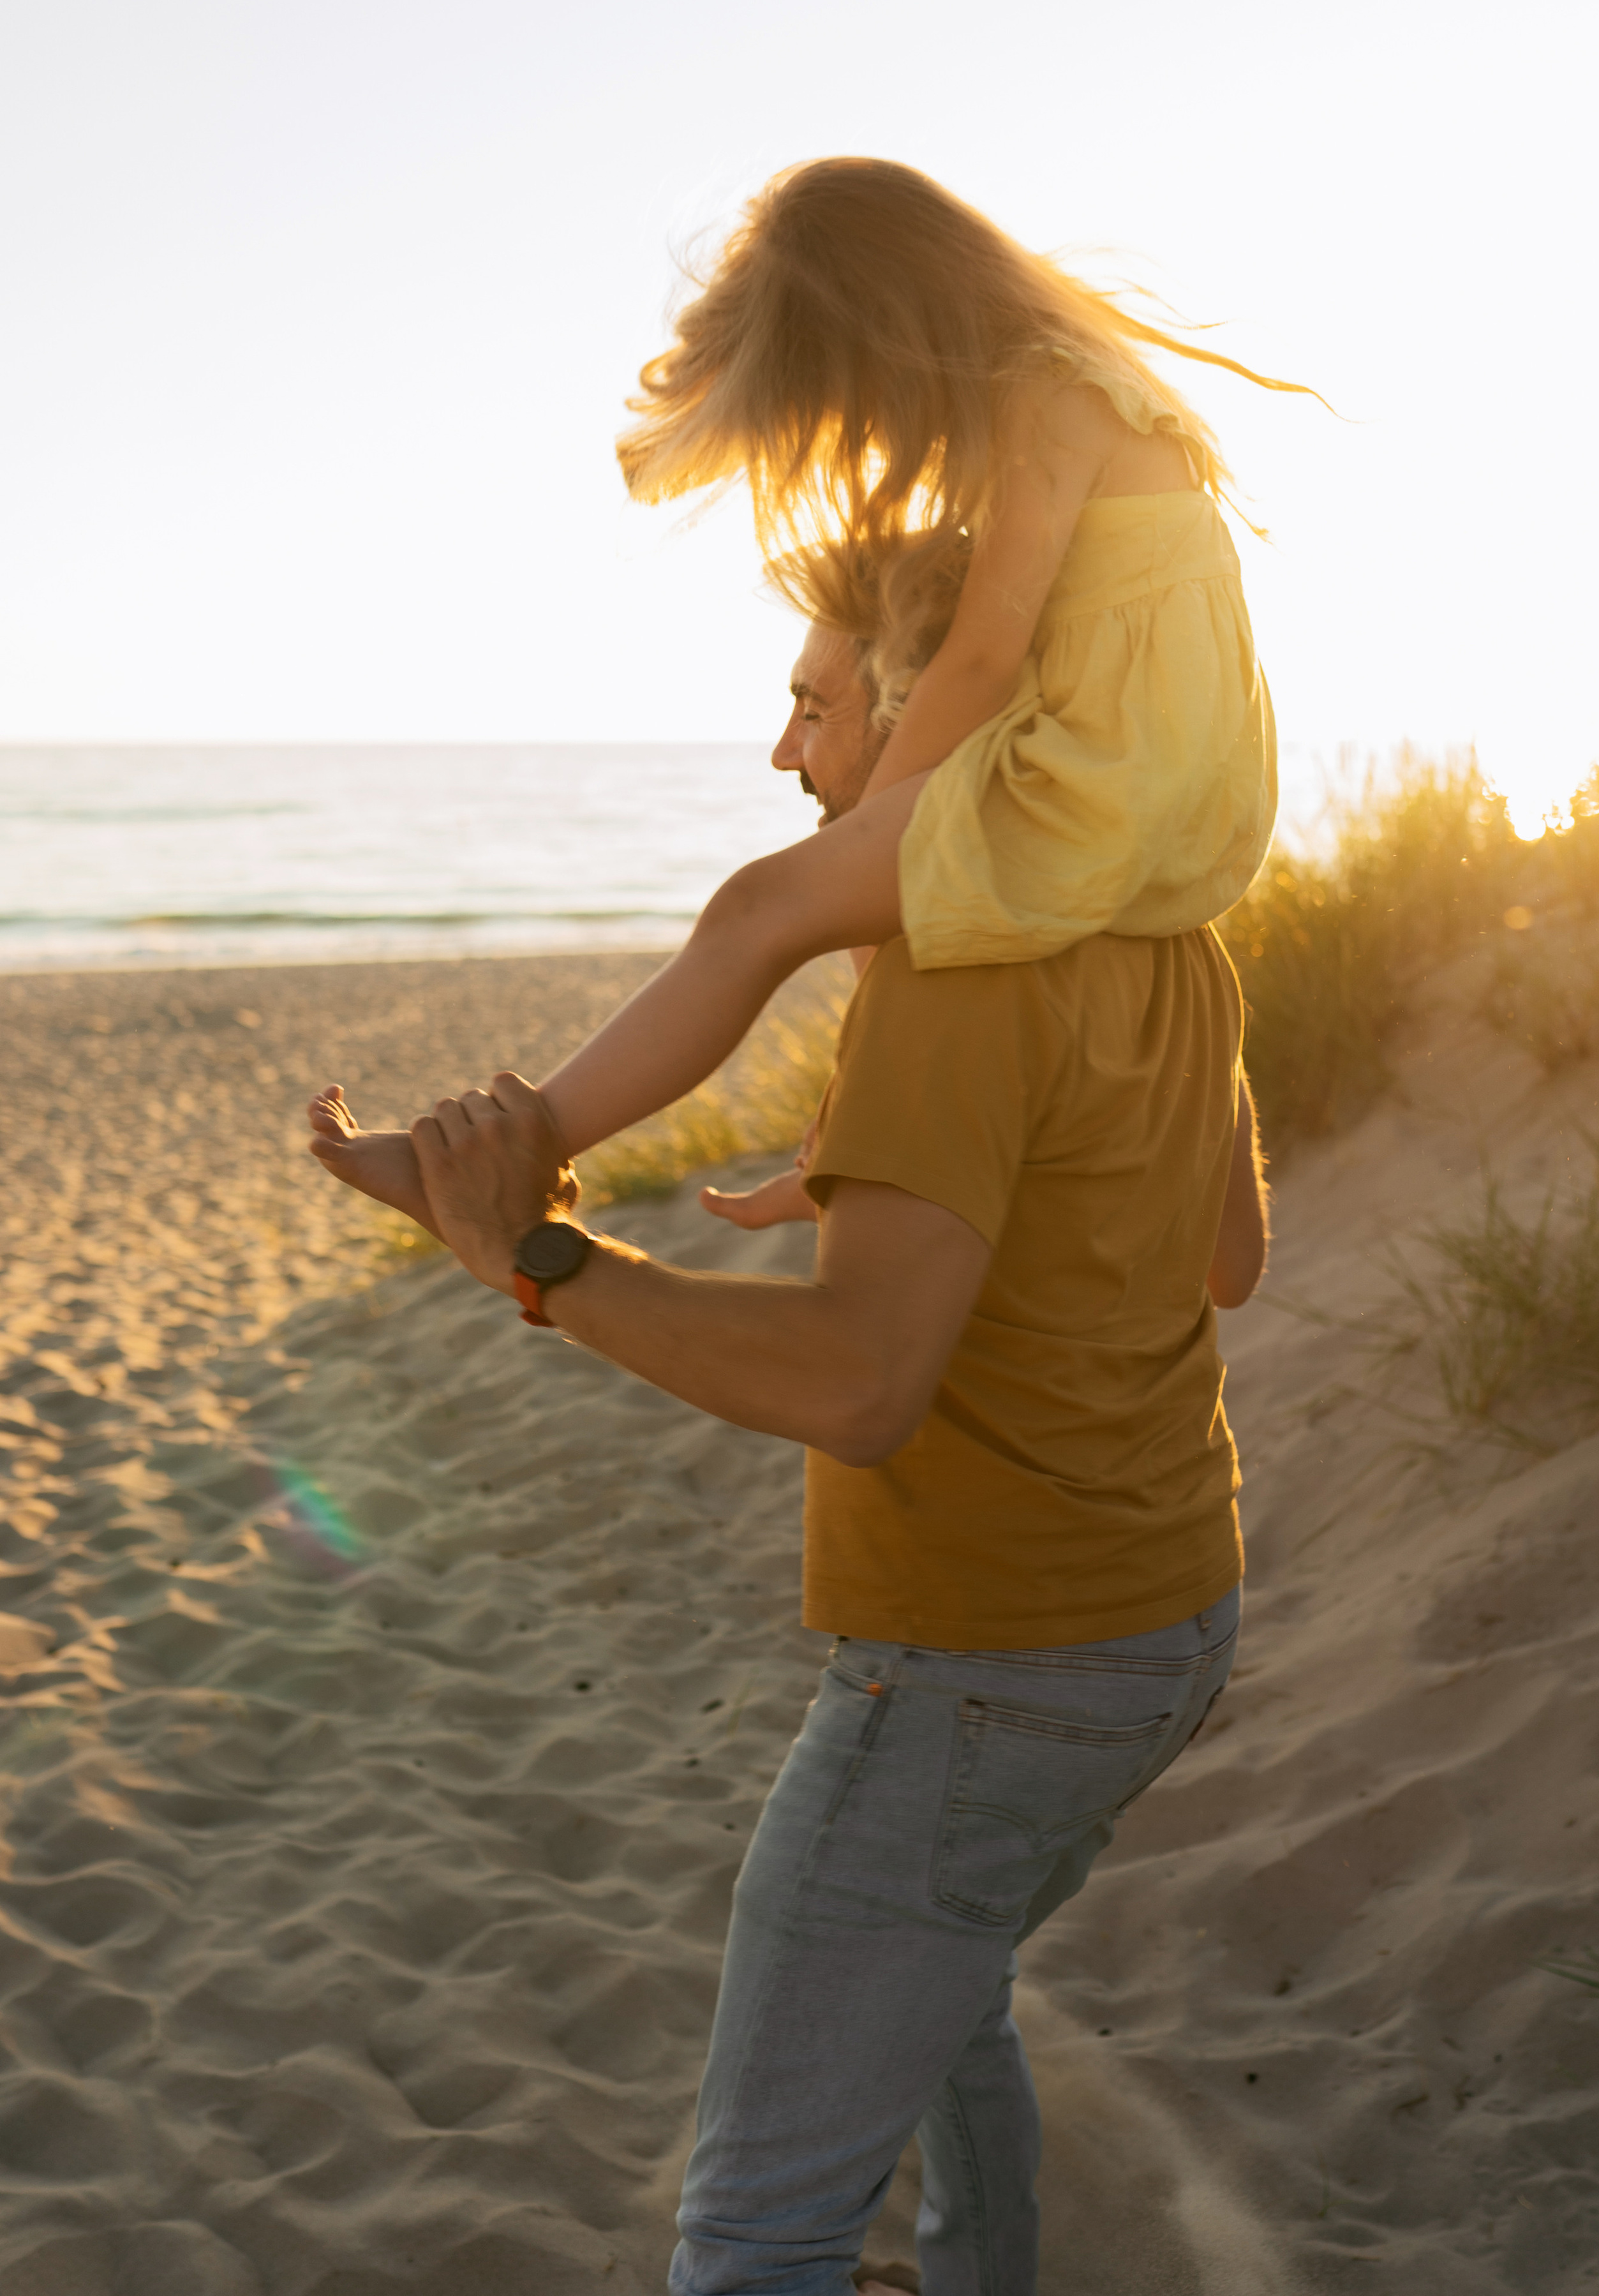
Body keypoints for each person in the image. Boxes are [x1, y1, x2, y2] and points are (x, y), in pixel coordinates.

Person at [342, 612, 1270, 2296]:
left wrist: (542, 1263)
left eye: (814, 707)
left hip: (988, 1666)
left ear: (934, 725)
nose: (788, 754)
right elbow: (1228, 1258)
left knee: (757, 2230)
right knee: (948, 1969)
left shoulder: (953, 973)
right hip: (1169, 1623)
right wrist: (914, 1177)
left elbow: (860, 1387)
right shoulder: (1171, 930)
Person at [308, 156, 1312, 1211]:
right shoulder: (1098, 397)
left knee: (759, 909)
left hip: (1101, 786)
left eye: (854, 389)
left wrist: (864, 844)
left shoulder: (1048, 400)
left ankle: (513, 1153)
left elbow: (982, 656)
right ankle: (839, 1147)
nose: (870, 427)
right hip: (1175, 799)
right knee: (845, 921)